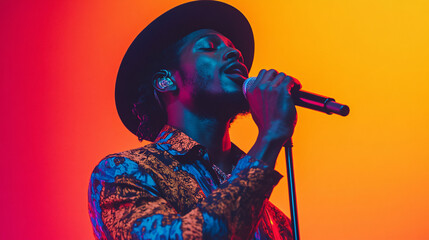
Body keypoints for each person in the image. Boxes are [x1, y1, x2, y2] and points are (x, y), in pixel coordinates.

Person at [88, 1, 301, 239]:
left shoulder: (275, 220)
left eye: (233, 48)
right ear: (165, 81)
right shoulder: (125, 173)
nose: (235, 53)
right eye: (210, 46)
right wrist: (269, 138)